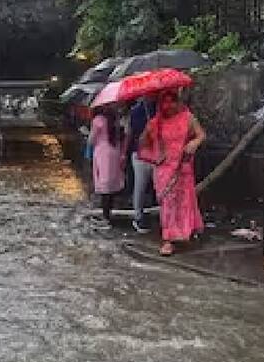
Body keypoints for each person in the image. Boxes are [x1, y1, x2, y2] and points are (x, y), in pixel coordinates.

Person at [139, 90, 205, 256]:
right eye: (164, 102)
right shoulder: (155, 122)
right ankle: (168, 239)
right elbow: (142, 144)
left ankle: (184, 232)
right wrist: (148, 134)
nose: (168, 106)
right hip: (164, 169)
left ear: (178, 102)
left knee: (184, 201)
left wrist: (194, 143)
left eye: (171, 101)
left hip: (183, 167)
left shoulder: (188, 118)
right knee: (168, 203)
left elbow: (201, 135)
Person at [88, 106, 126, 227]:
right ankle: (108, 214)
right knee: (111, 185)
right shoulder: (116, 120)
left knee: (104, 185)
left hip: (102, 153)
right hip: (115, 152)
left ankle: (105, 217)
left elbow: (91, 140)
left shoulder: (98, 120)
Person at [124, 97, 155, 234]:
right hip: (145, 153)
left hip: (144, 153)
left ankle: (139, 216)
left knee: (141, 187)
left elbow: (129, 134)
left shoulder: (157, 109)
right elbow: (130, 134)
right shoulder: (139, 111)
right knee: (142, 187)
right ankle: (138, 216)